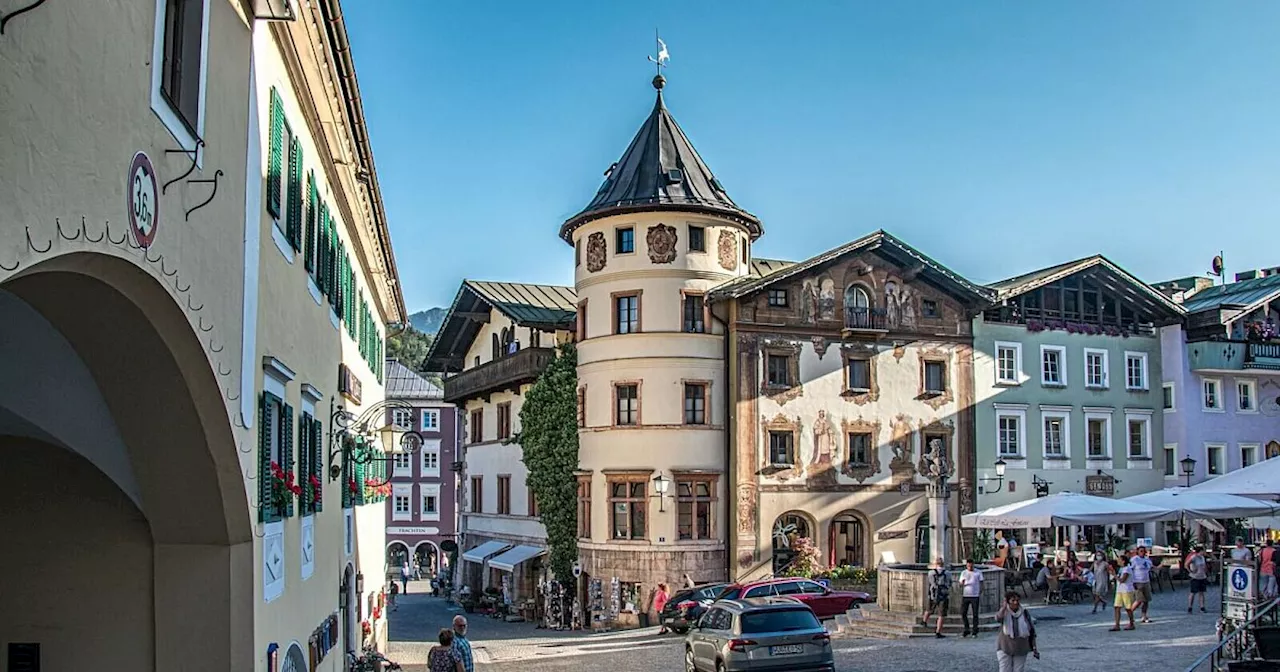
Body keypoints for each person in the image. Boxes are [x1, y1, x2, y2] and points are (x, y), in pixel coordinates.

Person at [995, 591, 1038, 672]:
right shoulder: (1005, 612)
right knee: (1004, 669)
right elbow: (998, 618)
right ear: (1008, 602)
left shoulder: (1024, 612)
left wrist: (1035, 648)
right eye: (1013, 600)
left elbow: (1031, 630)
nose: (1016, 603)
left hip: (1021, 647)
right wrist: (1004, 607)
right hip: (1005, 646)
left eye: (1017, 600)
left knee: (1018, 670)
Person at [921, 557, 951, 639]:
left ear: (935, 564)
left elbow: (931, 583)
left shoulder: (931, 573)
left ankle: (924, 621)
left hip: (933, 594)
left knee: (929, 608)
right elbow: (949, 583)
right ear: (943, 564)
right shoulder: (948, 573)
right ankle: (938, 631)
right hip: (943, 595)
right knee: (941, 615)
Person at [1128, 546, 1154, 624]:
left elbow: (1150, 567)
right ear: (1138, 552)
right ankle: (1130, 614)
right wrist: (1132, 581)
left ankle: (1144, 616)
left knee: (1146, 600)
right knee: (1139, 600)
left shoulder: (1147, 559)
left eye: (1144, 551)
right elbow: (1130, 570)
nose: (1142, 552)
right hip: (1137, 581)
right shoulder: (1134, 560)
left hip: (1146, 581)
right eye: (1141, 551)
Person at [959, 559, 983, 638]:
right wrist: (962, 583)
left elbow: (981, 582)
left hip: (975, 595)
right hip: (966, 595)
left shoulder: (978, 572)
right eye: (968, 566)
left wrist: (980, 590)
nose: (970, 567)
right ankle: (967, 629)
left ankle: (975, 631)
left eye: (971, 566)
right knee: (963, 613)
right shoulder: (964, 573)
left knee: (975, 613)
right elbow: (960, 583)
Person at [1112, 562, 1139, 631]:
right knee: (1117, 607)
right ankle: (1117, 624)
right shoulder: (1121, 569)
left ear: (1123, 561)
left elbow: (1122, 580)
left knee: (1128, 608)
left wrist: (1114, 575)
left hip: (1127, 590)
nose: (1118, 561)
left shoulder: (1127, 569)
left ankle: (1131, 623)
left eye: (1119, 560)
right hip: (1119, 590)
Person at [1186, 544, 1210, 613]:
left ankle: (1202, 607)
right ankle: (1190, 607)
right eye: (1203, 550)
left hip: (1202, 576)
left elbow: (1204, 566)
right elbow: (1186, 564)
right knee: (1193, 592)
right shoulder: (1194, 557)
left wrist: (1206, 572)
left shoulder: (1202, 557)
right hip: (1195, 577)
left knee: (1201, 592)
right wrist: (1190, 571)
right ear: (1200, 551)